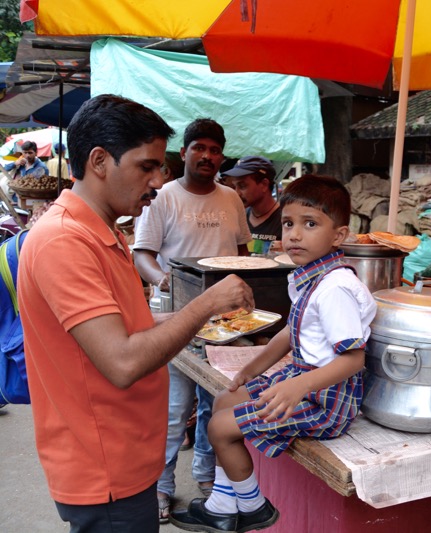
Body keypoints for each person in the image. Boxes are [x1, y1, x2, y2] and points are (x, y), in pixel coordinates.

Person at [16, 94, 254, 533]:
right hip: (104, 466)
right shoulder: (64, 241)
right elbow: (123, 361)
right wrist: (205, 302)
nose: (157, 181)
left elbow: (128, 329)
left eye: (159, 167)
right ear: (100, 161)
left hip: (125, 456)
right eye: (146, 166)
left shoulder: (103, 231)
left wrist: (199, 320)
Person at [170, 175, 377, 533]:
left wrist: (299, 387)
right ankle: (222, 503)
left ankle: (253, 508)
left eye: (310, 224)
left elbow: (353, 359)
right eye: (289, 223)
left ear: (338, 236)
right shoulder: (310, 277)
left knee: (220, 426)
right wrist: (253, 367)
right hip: (304, 381)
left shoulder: (336, 289)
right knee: (224, 400)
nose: (295, 234)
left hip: (325, 399)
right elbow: (288, 331)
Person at [133, 118, 252, 522]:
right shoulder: (163, 197)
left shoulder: (231, 199)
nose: (207, 156)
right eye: (199, 147)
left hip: (225, 324)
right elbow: (142, 254)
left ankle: (204, 476)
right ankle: (161, 488)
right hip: (173, 319)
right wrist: (166, 279)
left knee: (213, 405)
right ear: (183, 153)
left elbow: (242, 254)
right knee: (171, 408)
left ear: (222, 157)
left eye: (214, 150)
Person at [222, 156, 282, 255]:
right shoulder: (238, 217)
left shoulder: (285, 220)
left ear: (264, 184)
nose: (237, 193)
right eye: (234, 186)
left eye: (242, 186)